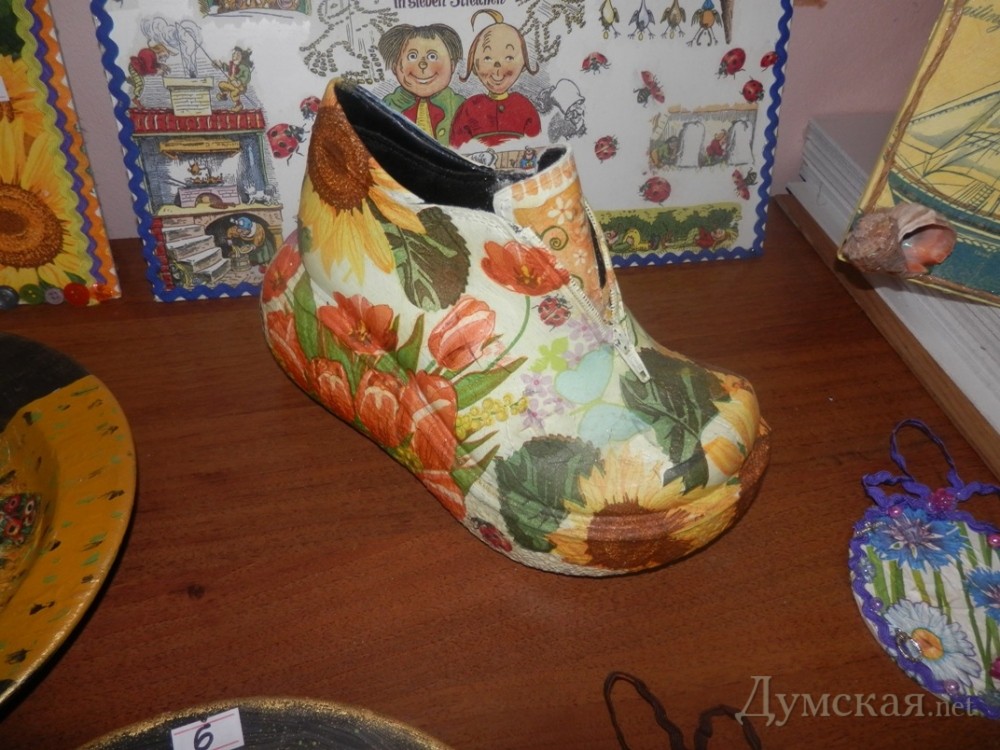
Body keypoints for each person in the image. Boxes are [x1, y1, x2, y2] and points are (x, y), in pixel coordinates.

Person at [450, 11, 540, 148]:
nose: (497, 65)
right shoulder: (469, 108)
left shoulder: (524, 106)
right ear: (474, 66)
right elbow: (456, 150)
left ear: (523, 65)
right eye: (487, 58)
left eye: (509, 57)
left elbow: (538, 147)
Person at [378, 24, 465, 146]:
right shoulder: (386, 106)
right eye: (412, 56)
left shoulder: (461, 106)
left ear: (452, 65)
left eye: (432, 56)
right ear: (394, 66)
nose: (423, 64)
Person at [127, 42, 172, 109]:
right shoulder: (149, 54)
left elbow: (152, 64)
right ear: (161, 50)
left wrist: (161, 66)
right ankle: (135, 99)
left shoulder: (152, 55)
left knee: (140, 82)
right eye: (164, 56)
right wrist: (157, 71)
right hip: (135, 68)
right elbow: (149, 69)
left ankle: (132, 82)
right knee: (140, 84)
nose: (164, 59)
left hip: (138, 68)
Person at [217, 46, 253, 113]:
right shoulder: (232, 65)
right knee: (221, 84)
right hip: (231, 83)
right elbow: (227, 68)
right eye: (234, 53)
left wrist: (239, 81)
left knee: (234, 92)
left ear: (241, 57)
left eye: (237, 54)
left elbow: (246, 76)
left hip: (240, 87)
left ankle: (238, 105)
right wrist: (221, 65)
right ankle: (224, 94)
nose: (234, 55)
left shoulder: (244, 67)